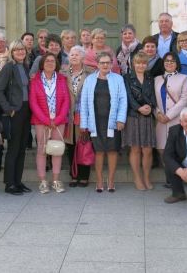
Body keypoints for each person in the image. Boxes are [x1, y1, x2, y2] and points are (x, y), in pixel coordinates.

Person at [80, 51, 127, 192]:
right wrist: (84, 124)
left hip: (112, 121)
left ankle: (111, 180)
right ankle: (99, 180)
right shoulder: (89, 80)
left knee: (112, 151)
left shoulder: (118, 79)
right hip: (95, 122)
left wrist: (120, 119)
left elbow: (123, 100)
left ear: (112, 64)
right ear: (97, 64)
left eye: (108, 62)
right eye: (102, 62)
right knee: (99, 151)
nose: (105, 65)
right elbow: (84, 102)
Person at [29, 52, 71, 193]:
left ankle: (56, 180)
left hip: (59, 120)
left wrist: (57, 119)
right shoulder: (35, 80)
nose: (50, 63)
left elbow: (66, 101)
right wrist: (46, 120)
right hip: (41, 121)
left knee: (57, 150)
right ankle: (42, 182)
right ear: (42, 64)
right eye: (47, 61)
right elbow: (33, 102)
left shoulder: (62, 79)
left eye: (53, 61)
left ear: (56, 63)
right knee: (42, 150)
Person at [0, 40, 32, 195]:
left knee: (22, 148)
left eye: (22, 50)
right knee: (13, 148)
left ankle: (18, 181)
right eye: (16, 50)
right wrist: (8, 109)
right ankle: (9, 183)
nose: (20, 52)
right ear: (11, 52)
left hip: (26, 110)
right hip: (15, 111)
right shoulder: (8, 67)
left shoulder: (25, 66)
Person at [154, 52, 187, 185]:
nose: (169, 63)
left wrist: (169, 116)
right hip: (160, 120)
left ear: (177, 64)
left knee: (175, 149)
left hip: (176, 119)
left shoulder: (183, 78)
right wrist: (157, 113)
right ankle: (170, 176)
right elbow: (153, 99)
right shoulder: (157, 79)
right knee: (162, 149)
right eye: (167, 61)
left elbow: (185, 99)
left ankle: (176, 179)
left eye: (172, 61)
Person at [61, 45, 94, 187]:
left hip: (84, 114)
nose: (74, 56)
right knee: (71, 146)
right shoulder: (62, 73)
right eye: (72, 54)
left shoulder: (91, 73)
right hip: (67, 115)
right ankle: (74, 175)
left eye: (77, 54)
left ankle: (84, 175)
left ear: (83, 57)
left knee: (84, 143)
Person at [123, 51, 156, 190]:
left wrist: (151, 106)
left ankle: (146, 178)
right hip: (133, 116)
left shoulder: (150, 77)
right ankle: (137, 178)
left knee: (147, 150)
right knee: (135, 149)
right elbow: (128, 97)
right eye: (138, 63)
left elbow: (154, 95)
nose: (141, 65)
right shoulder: (127, 77)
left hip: (147, 117)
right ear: (133, 64)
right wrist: (138, 108)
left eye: (143, 63)